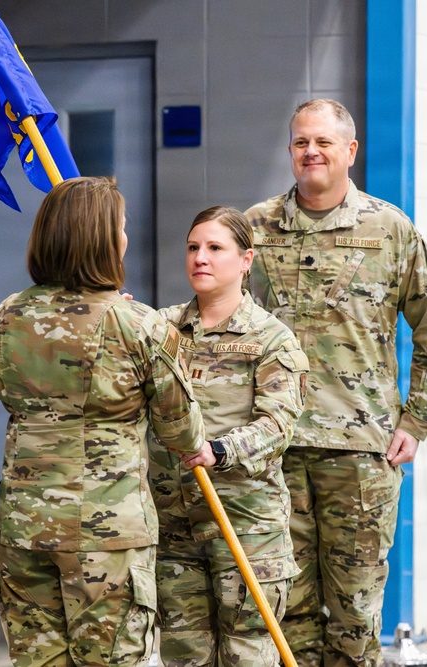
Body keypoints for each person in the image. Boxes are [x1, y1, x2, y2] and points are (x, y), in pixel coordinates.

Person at [245, 99, 427, 667]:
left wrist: (418, 421)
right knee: (283, 614)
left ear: (351, 150)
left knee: (355, 620)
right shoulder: (255, 227)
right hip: (274, 450)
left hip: (360, 454)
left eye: (323, 142)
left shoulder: (390, 229)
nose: (310, 152)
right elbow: (219, 320)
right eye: (300, 142)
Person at [0, 176, 206, 667]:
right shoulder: (138, 324)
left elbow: (6, 394)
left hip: (23, 527)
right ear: (104, 240)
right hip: (107, 534)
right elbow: (181, 433)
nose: (125, 238)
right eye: (121, 228)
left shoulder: (7, 315)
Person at [149, 206, 308, 667]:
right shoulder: (159, 329)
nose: (200, 257)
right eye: (193, 247)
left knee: (247, 655)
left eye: (215, 248)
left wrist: (218, 451)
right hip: (175, 529)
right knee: (183, 657)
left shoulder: (271, 338)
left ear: (245, 260)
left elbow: (278, 424)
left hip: (245, 527)